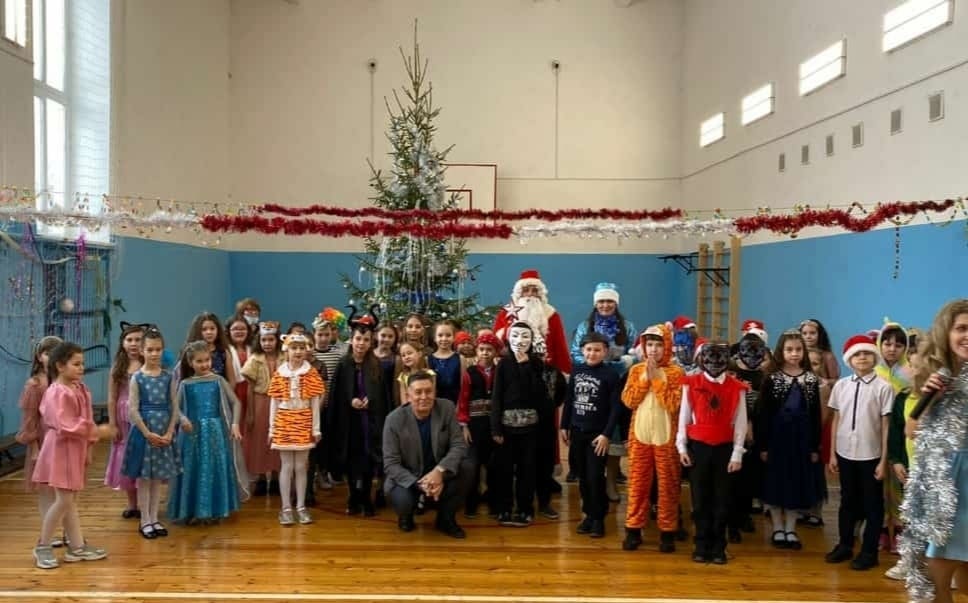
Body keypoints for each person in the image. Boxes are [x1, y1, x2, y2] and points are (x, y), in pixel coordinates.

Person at [899, 299, 968, 603]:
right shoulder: (935, 375)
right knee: (941, 551)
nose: (967, 335)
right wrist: (931, 399)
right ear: (946, 333)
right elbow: (911, 430)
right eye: (961, 328)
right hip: (945, 477)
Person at [31, 341, 110, 569]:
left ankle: (77, 546)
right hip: (61, 449)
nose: (81, 368)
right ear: (60, 366)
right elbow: (65, 424)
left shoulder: (80, 388)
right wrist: (97, 431)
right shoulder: (57, 392)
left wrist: (90, 444)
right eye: (76, 364)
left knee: (70, 500)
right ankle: (43, 545)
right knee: (64, 500)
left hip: (74, 448)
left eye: (82, 363)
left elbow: (86, 417)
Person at [825, 334, 895, 571]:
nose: (862, 357)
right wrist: (832, 454)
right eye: (857, 354)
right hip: (845, 453)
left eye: (866, 353)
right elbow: (836, 419)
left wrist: (883, 461)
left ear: (874, 357)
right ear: (849, 359)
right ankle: (845, 544)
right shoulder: (841, 386)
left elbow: (886, 426)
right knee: (847, 501)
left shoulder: (883, 388)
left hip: (871, 455)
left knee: (872, 504)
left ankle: (869, 552)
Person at [678, 341, 749, 565]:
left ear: (727, 360)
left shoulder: (737, 387)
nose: (715, 363)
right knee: (700, 499)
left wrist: (737, 453)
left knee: (722, 499)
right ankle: (701, 543)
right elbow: (684, 416)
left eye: (720, 358)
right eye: (710, 358)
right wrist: (681, 446)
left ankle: (719, 546)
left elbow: (740, 422)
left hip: (724, 449)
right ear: (702, 360)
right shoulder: (691, 383)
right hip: (698, 448)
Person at [383, 370, 473, 539]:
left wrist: (439, 471)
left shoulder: (446, 408)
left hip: (439, 472)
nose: (424, 397)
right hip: (409, 477)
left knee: (467, 466)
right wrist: (420, 484)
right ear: (408, 396)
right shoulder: (393, 420)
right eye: (418, 392)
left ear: (434, 392)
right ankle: (406, 516)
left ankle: (445, 519)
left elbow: (458, 445)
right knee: (403, 501)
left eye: (428, 391)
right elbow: (390, 463)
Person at [168, 341, 248, 524]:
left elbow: (236, 402)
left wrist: (235, 424)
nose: (204, 364)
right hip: (192, 433)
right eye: (199, 361)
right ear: (190, 363)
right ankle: (193, 510)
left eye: (207, 360)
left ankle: (213, 510)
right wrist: (183, 419)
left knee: (213, 468)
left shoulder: (218, 380)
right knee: (193, 468)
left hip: (214, 432)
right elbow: (175, 407)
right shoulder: (186, 384)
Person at [756, 331, 822, 551]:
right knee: (776, 482)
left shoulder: (810, 379)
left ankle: (791, 528)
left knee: (796, 482)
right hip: (777, 439)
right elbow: (763, 414)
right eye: (789, 349)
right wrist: (763, 445)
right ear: (781, 352)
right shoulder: (772, 378)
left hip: (801, 440)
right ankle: (777, 527)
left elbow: (815, 414)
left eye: (798, 349)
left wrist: (814, 446)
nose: (794, 354)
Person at [568, 282, 636, 495]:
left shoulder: (628, 327)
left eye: (609, 301)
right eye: (601, 301)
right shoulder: (584, 327)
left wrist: (623, 362)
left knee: (613, 433)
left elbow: (635, 353)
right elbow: (575, 353)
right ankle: (591, 478)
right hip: (591, 384)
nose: (605, 305)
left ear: (616, 303)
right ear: (595, 303)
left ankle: (611, 481)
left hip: (617, 383)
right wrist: (596, 364)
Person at [621, 323, 685, 553]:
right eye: (649, 344)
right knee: (637, 484)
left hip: (666, 439)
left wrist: (657, 379)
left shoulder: (676, 373)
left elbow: (674, 405)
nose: (654, 349)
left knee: (668, 486)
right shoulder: (636, 370)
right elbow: (629, 401)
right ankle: (633, 529)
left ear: (667, 346)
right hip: (640, 437)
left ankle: (667, 531)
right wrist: (644, 380)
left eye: (659, 345)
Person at [561, 332, 622, 538]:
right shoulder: (577, 370)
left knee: (595, 477)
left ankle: (598, 518)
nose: (592, 353)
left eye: (597, 350)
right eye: (589, 349)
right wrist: (564, 425)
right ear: (582, 350)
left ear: (605, 351)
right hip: (578, 432)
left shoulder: (610, 375)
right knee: (583, 477)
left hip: (598, 436)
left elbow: (615, 408)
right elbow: (569, 400)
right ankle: (588, 514)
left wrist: (606, 434)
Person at [121, 327, 180, 539]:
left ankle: (154, 518)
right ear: (142, 351)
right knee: (145, 480)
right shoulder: (137, 377)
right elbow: (133, 409)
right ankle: (144, 520)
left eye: (158, 349)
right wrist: (147, 433)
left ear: (163, 350)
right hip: (145, 433)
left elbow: (174, 405)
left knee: (157, 480)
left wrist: (170, 431)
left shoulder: (168, 376)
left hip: (164, 431)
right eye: (150, 350)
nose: (154, 354)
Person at [329, 305, 388, 516]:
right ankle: (353, 496)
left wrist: (371, 400)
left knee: (368, 461)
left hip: (369, 423)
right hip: (350, 423)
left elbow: (382, 394)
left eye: (365, 340)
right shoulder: (343, 364)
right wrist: (350, 400)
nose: (361, 343)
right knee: (352, 461)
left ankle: (366, 497)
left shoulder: (376, 365)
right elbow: (337, 394)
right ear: (351, 340)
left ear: (371, 342)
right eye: (358, 339)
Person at [491, 321, 551, 527]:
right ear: (509, 338)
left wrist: (526, 366)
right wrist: (496, 428)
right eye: (516, 335)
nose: (520, 340)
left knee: (527, 470)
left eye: (525, 336)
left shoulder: (536, 364)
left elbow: (538, 394)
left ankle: (525, 508)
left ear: (532, 340)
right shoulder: (503, 364)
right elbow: (496, 397)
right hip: (506, 428)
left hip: (530, 429)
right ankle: (504, 508)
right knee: (505, 470)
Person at [267, 332, 326, 525]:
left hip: (303, 421)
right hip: (284, 423)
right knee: (286, 466)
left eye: (301, 348)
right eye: (294, 348)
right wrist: (271, 429)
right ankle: (286, 508)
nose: (298, 351)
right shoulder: (279, 374)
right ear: (287, 350)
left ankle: (301, 506)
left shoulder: (311, 374)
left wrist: (316, 429)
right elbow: (274, 404)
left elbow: (315, 404)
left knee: (301, 466)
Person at [15, 336, 62, 538]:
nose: (51, 357)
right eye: (47, 353)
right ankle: (49, 534)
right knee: (46, 490)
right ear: (39, 356)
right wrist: (35, 448)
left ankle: (66, 531)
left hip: (63, 440)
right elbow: (30, 419)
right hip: (43, 440)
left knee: (63, 489)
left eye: (55, 353)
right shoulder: (35, 384)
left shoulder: (65, 381)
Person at [493, 269, 572, 376]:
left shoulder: (551, 315)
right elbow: (496, 344)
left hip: (543, 369)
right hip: (511, 370)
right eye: (526, 290)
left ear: (540, 293)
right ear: (519, 293)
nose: (530, 294)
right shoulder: (506, 313)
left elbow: (560, 347)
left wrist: (564, 372)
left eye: (534, 290)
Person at [456, 332, 502, 518]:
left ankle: (494, 502)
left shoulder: (500, 371)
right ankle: (471, 504)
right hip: (475, 426)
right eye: (482, 349)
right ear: (477, 351)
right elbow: (463, 399)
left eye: (489, 350)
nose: (485, 353)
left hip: (494, 425)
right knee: (473, 465)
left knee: (494, 465)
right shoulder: (470, 372)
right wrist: (464, 425)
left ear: (496, 352)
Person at [104, 323, 144, 519]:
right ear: (123, 343)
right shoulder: (118, 367)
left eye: (138, 340)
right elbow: (112, 397)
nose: (133, 343)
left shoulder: (148, 365)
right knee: (126, 456)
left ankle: (146, 503)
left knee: (142, 456)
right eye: (129, 340)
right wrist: (112, 424)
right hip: (123, 416)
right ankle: (132, 504)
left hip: (144, 414)